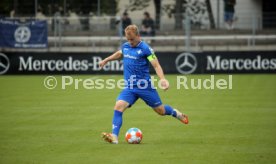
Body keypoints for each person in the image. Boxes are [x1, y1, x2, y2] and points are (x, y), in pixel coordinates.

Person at [99, 25, 189, 144]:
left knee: (160, 111)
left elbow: (156, 65)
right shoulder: (126, 46)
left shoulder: (146, 49)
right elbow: (120, 53)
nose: (130, 42)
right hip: (130, 87)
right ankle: (114, 136)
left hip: (145, 87)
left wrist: (162, 79)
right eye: (128, 39)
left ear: (138, 36)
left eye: (132, 39)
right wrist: (106, 60)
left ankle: (176, 113)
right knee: (118, 106)